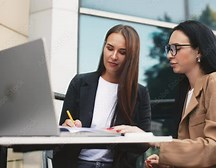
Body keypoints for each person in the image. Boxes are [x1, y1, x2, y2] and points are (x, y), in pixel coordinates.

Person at [145, 20, 216, 168]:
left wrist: (157, 141)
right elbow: (195, 153)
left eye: (176, 48)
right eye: (169, 49)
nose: (169, 55)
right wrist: (165, 162)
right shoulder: (187, 93)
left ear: (199, 51)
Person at [52, 24, 151, 168]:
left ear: (131, 56)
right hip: (77, 163)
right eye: (110, 48)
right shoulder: (80, 83)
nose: (113, 56)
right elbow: (62, 130)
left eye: (122, 52)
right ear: (104, 47)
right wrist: (69, 127)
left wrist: (130, 135)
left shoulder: (139, 93)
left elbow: (144, 144)